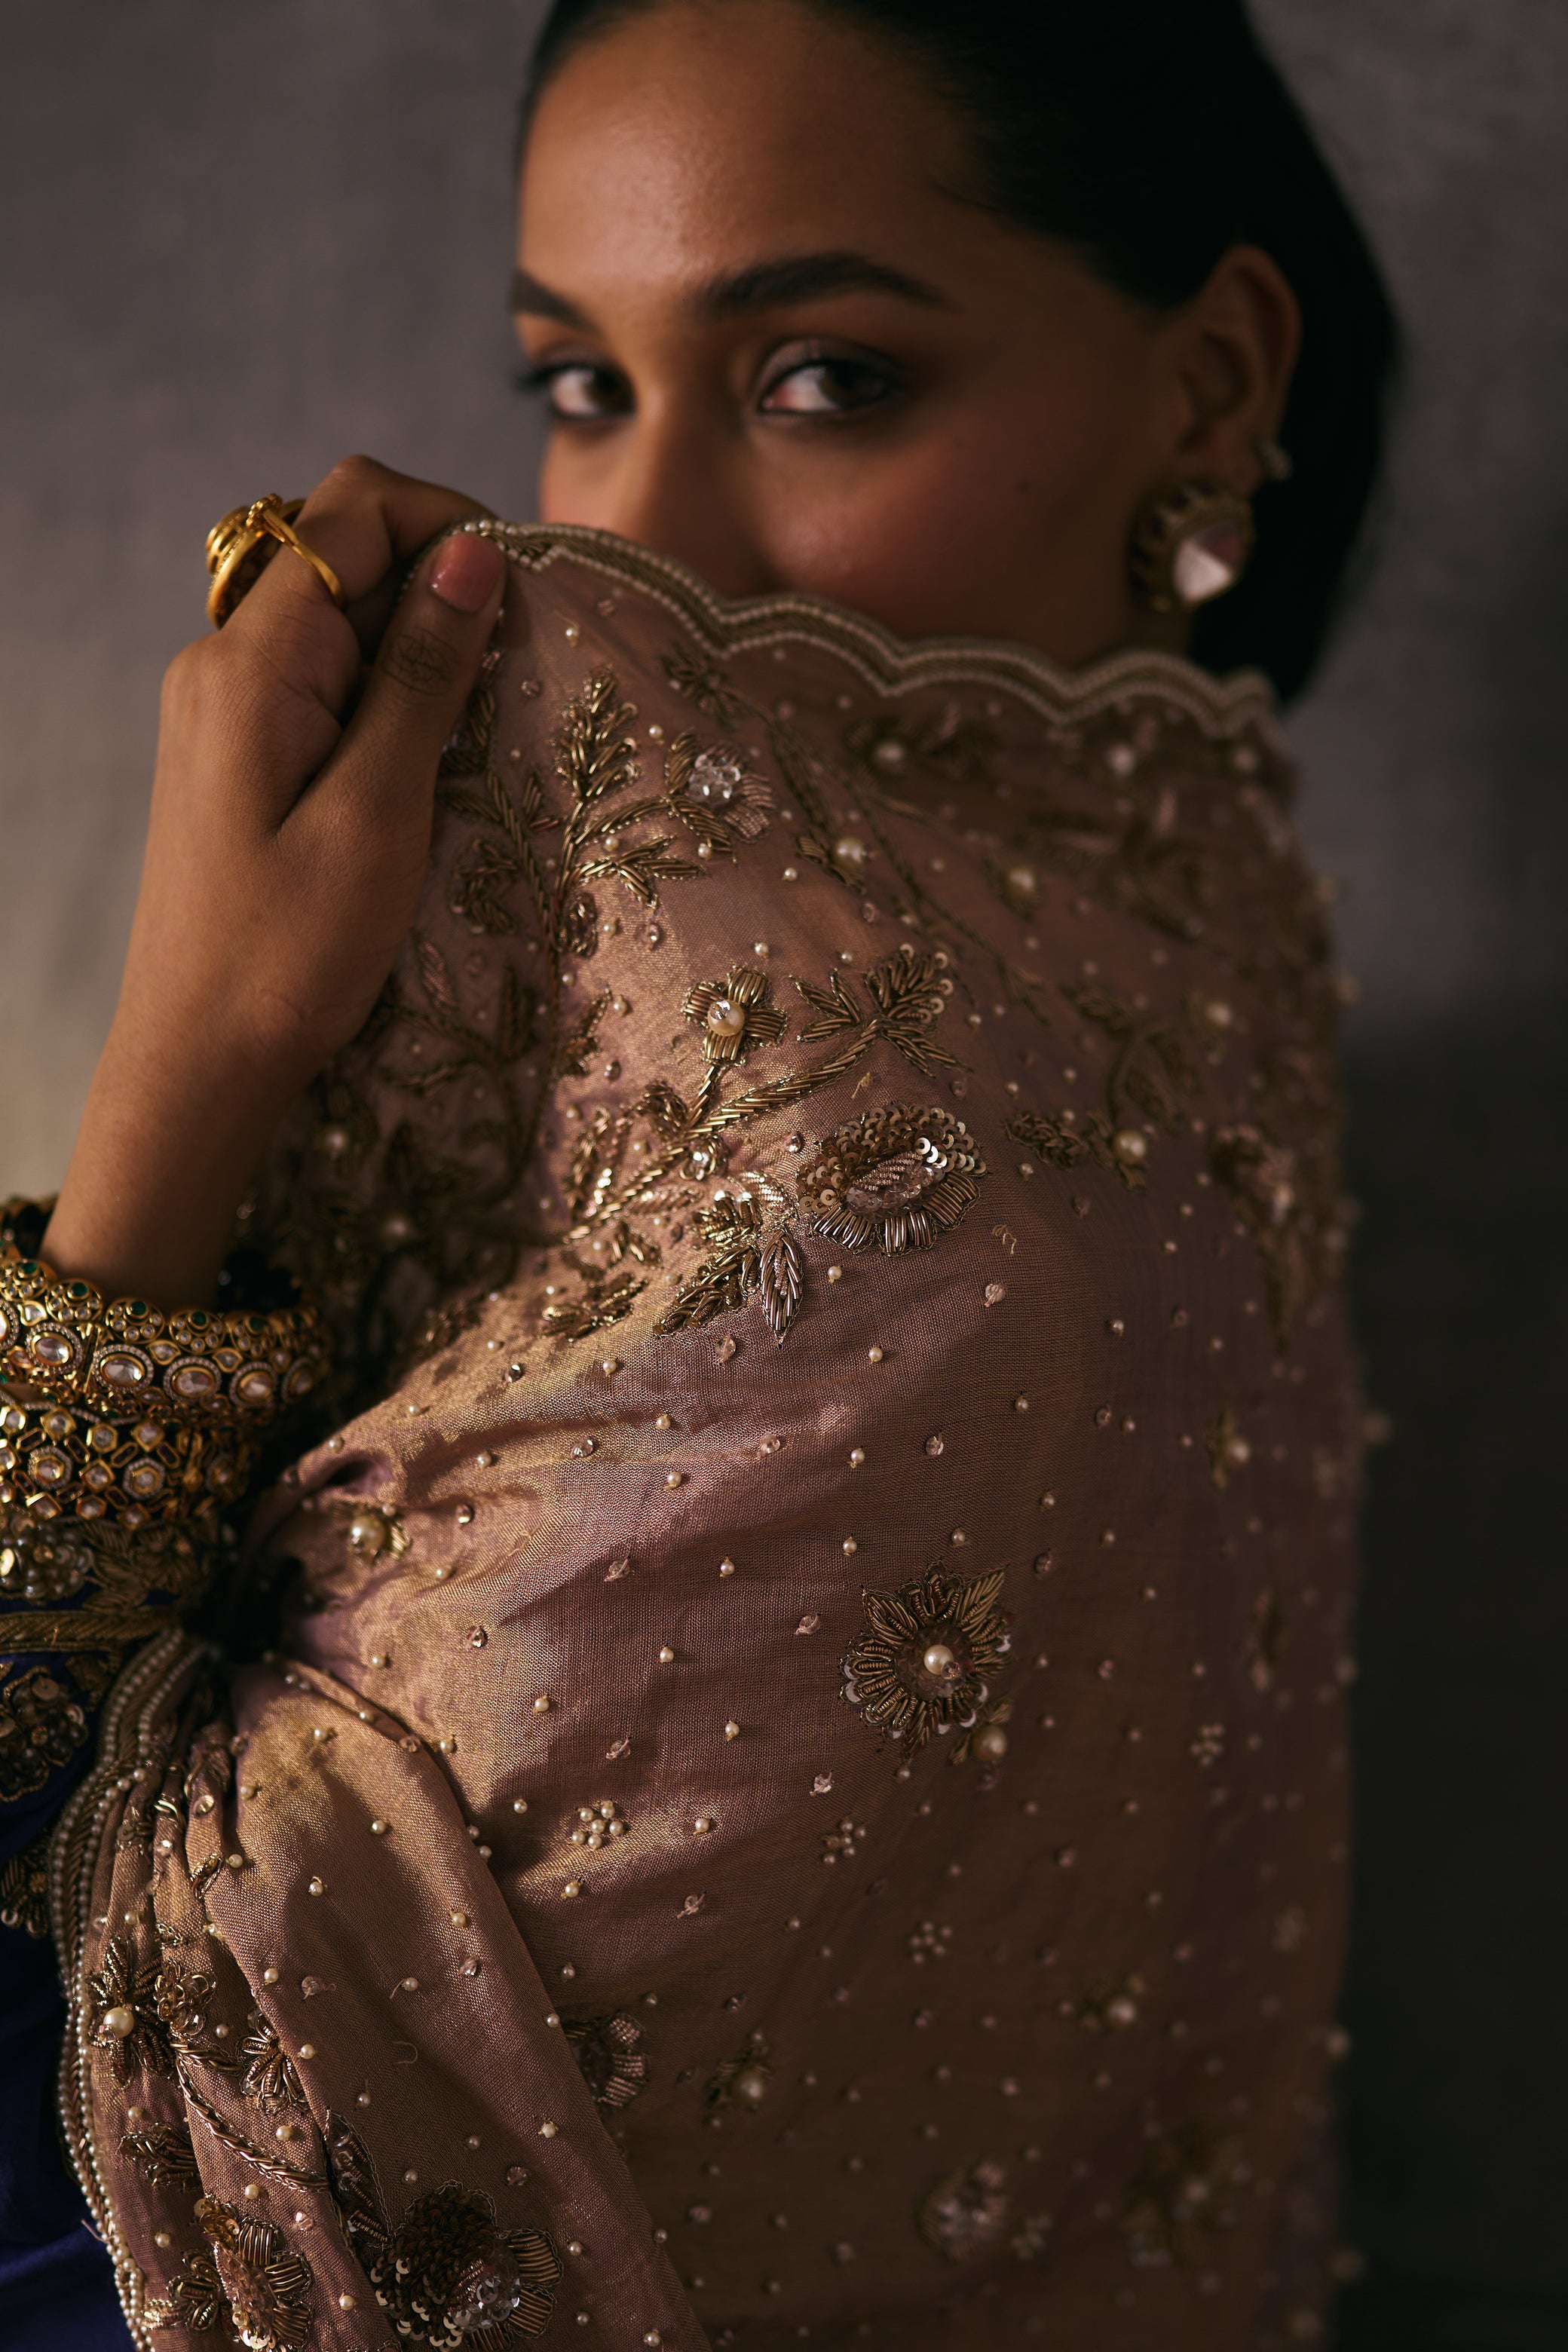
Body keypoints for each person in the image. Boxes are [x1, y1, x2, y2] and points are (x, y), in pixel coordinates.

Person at [0, 2, 1395, 2345]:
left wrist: (189, 1079)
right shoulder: (1220, 942)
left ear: (1210, 383)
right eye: (578, 383)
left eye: (821, 378)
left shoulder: (969, 1151)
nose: (626, 541)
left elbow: (113, 2089)